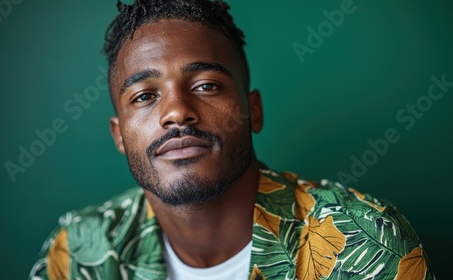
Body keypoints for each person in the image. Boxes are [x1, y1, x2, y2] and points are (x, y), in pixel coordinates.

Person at [29, 0, 434, 279]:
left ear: (252, 110)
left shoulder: (364, 242)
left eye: (206, 85)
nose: (176, 112)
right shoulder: (81, 251)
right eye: (144, 96)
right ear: (119, 135)